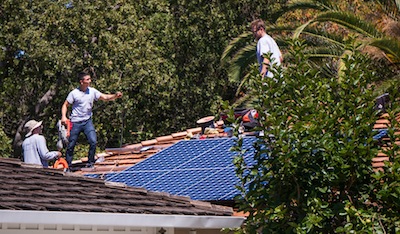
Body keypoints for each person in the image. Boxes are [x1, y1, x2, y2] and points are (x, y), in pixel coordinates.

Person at [61, 71, 123, 169]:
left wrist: (115, 96)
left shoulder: (92, 91)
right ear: (81, 82)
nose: (90, 81)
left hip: (87, 121)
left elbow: (105, 97)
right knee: (71, 144)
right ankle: (68, 166)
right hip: (76, 122)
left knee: (93, 141)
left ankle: (90, 163)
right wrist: (64, 116)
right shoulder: (74, 93)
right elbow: (65, 105)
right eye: (87, 79)